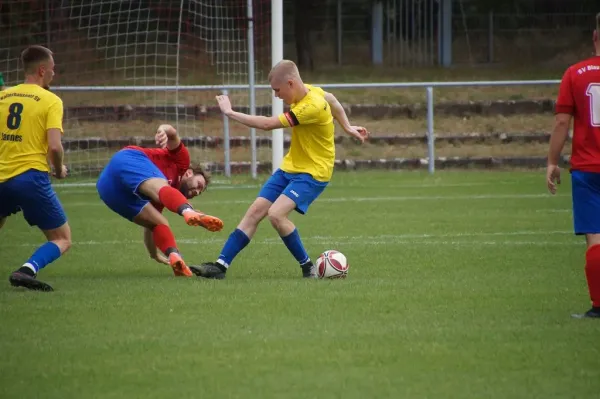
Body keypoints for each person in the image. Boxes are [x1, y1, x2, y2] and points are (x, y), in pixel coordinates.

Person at [192, 59, 369, 280]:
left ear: (291, 83)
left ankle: (308, 268)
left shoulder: (310, 107)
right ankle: (220, 266)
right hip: (290, 167)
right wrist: (348, 126)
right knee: (255, 212)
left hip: (313, 173)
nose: (276, 96)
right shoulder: (313, 92)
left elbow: (267, 124)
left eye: (277, 90)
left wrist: (230, 112)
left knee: (276, 215)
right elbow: (332, 99)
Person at [96, 124, 224, 277]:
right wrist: (163, 130)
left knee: (158, 222)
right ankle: (188, 211)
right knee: (161, 187)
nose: (196, 191)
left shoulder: (164, 198)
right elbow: (173, 134)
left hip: (110, 191)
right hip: (128, 158)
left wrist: (154, 254)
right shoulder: (182, 162)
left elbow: (150, 228)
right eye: (198, 185)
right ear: (190, 173)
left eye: (198, 192)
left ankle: (175, 256)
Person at [0, 45, 70, 292]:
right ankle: (27, 270)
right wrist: (59, 169)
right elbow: (54, 146)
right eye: (52, 70)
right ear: (42, 70)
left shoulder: (3, 96)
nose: (53, 74)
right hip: (30, 178)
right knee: (62, 238)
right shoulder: (51, 100)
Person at [547, 12, 600, 319]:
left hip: (588, 168)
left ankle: (598, 306)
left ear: (594, 36)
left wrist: (552, 161)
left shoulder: (575, 73)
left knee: (595, 237)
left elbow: (561, 122)